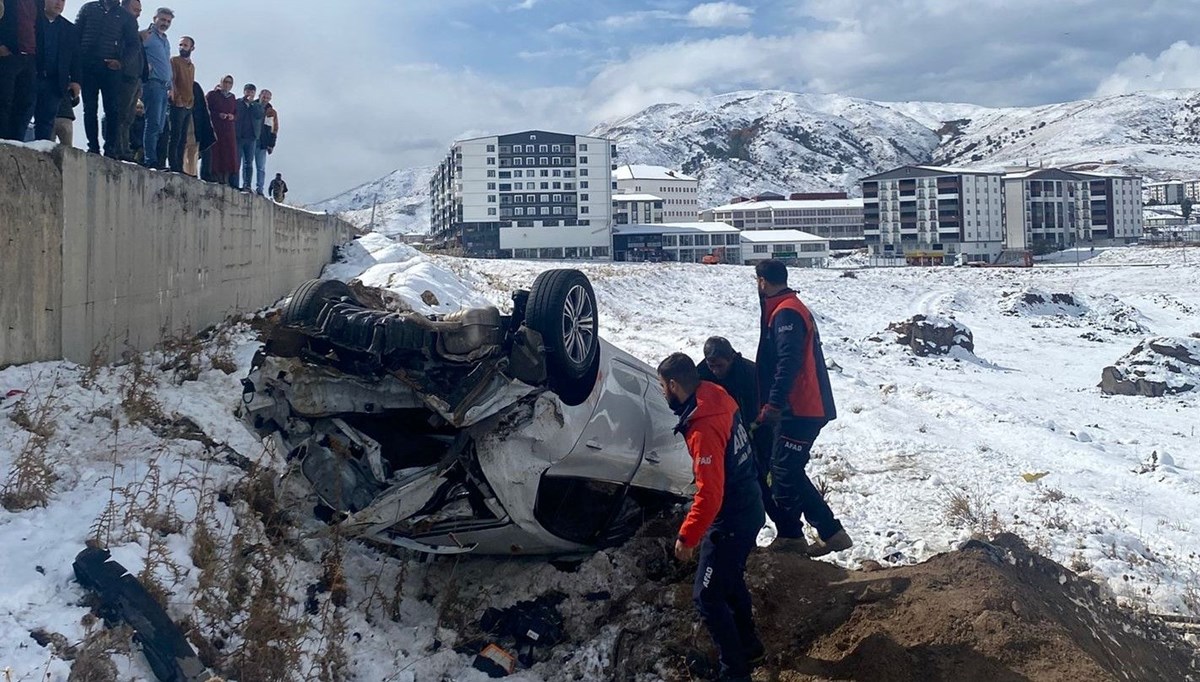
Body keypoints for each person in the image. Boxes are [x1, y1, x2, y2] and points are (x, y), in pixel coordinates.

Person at [659, 353, 765, 682]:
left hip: (731, 517)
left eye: (663, 387)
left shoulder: (703, 425)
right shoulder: (715, 395)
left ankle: (734, 673)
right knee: (728, 580)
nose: (663, 393)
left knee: (706, 596)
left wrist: (687, 537)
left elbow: (711, 493)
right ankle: (749, 647)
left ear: (674, 385)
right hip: (748, 504)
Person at [754, 259, 853, 557]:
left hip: (801, 407)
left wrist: (774, 403)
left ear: (762, 282)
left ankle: (795, 536)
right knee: (787, 469)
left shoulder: (786, 312)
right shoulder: (788, 308)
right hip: (800, 406)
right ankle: (828, 532)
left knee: (783, 469)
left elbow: (788, 362)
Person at [699, 336, 785, 532]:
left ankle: (787, 529)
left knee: (764, 481)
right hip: (728, 436)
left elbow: (767, 404)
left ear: (732, 357)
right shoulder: (703, 373)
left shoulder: (750, 373)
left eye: (720, 365)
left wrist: (754, 426)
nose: (715, 371)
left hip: (759, 430)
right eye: (712, 365)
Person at [75, 0, 137, 155]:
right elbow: (75, 34)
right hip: (87, 66)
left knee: (112, 109)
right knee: (89, 108)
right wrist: (76, 62)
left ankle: (110, 148)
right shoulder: (88, 8)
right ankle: (93, 147)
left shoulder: (126, 16)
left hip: (111, 68)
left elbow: (134, 44)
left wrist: (121, 63)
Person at [28, 0, 79, 142]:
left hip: (54, 82)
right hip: (31, 77)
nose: (59, 3)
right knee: (22, 116)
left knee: (46, 123)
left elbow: (75, 57)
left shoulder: (69, 28)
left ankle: (43, 158)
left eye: (62, 1)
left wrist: (76, 81)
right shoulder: (33, 20)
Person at [0, 0, 40, 140]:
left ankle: (16, 141)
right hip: (9, 55)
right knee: (4, 99)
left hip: (30, 57)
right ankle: (3, 139)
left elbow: (38, 27)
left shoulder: (38, 3)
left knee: (25, 102)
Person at [138, 4, 167, 167]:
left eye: (168, 21)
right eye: (162, 19)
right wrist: (144, 65)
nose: (165, 23)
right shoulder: (147, 35)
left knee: (160, 126)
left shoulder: (165, 40)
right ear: (155, 19)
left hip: (164, 87)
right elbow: (135, 49)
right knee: (153, 122)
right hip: (152, 83)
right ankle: (150, 159)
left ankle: (155, 158)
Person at [112, 0, 141, 160]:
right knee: (120, 115)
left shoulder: (134, 30)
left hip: (135, 78)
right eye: (134, 9)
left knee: (129, 117)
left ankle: (124, 148)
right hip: (123, 76)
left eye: (139, 11)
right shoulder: (118, 25)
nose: (137, 13)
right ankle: (118, 148)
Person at [204, 74, 236, 186]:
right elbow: (205, 108)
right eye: (225, 82)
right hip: (215, 128)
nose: (227, 85)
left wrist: (232, 116)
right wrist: (218, 114)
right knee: (215, 153)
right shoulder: (212, 95)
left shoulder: (232, 97)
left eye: (230, 83)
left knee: (227, 153)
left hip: (228, 130)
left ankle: (225, 178)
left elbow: (236, 112)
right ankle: (213, 176)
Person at [164, 31, 190, 171]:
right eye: (180, 44)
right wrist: (177, 98)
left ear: (191, 48)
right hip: (177, 103)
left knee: (183, 138)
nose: (182, 47)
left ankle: (180, 166)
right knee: (174, 135)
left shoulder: (191, 65)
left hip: (188, 104)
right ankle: (173, 164)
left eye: (185, 45)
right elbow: (172, 79)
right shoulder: (174, 61)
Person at [233, 81, 261, 191]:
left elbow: (259, 115)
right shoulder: (237, 102)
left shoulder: (257, 105)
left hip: (251, 138)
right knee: (236, 161)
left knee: (249, 163)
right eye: (248, 91)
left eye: (252, 91)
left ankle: (247, 185)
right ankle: (235, 183)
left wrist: (252, 104)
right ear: (244, 91)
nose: (249, 93)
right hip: (239, 136)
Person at [185, 78, 211, 176]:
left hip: (196, 123)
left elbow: (202, 107)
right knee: (183, 147)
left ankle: (192, 172)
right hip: (184, 121)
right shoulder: (176, 82)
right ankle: (183, 170)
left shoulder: (195, 86)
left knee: (193, 150)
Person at [254, 88, 276, 194]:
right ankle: (246, 185)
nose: (265, 99)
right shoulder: (251, 106)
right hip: (250, 139)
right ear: (259, 96)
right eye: (264, 97)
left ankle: (260, 188)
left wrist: (271, 144)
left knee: (261, 167)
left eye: (268, 98)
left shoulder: (271, 112)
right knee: (246, 164)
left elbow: (274, 129)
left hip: (262, 143)